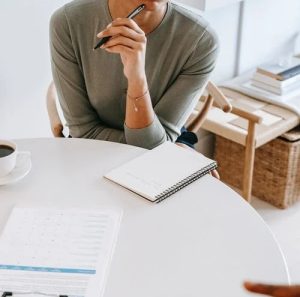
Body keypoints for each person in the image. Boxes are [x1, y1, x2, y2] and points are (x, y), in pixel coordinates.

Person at [49, 0, 219, 150]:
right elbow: (84, 130)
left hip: (159, 151)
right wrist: (164, 149)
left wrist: (136, 78)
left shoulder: (201, 41)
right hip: (92, 149)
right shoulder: (68, 22)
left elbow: (160, 143)